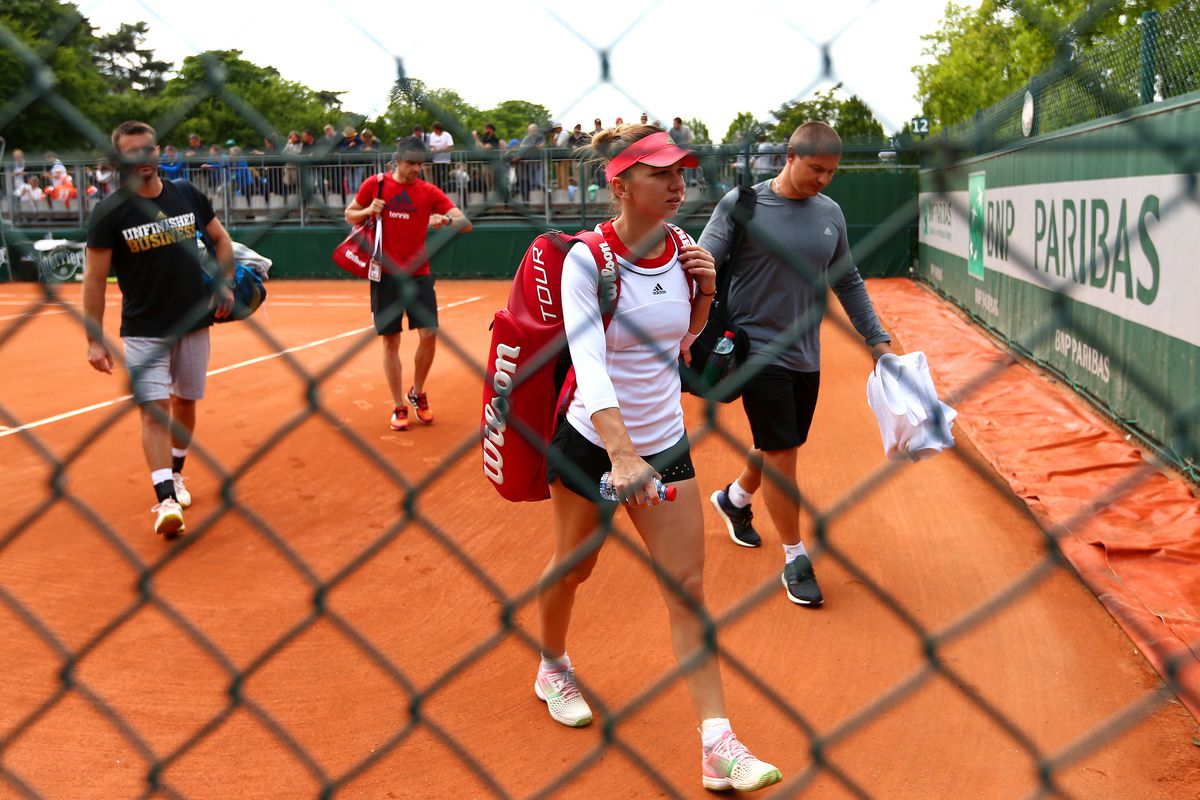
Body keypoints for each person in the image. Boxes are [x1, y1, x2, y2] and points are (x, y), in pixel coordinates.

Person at [534, 124, 782, 793]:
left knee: (689, 591)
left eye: (682, 173)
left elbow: (681, 349)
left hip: (666, 443)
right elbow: (590, 365)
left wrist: (702, 299)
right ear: (620, 183)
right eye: (661, 174)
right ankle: (552, 664)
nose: (679, 185)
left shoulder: (685, 249)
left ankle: (717, 743)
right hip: (593, 443)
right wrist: (619, 452)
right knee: (574, 566)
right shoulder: (589, 260)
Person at [698, 121, 892, 607]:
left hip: (807, 353)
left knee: (779, 443)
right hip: (755, 349)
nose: (823, 179)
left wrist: (877, 338)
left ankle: (735, 499)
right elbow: (702, 263)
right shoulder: (743, 205)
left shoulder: (830, 213)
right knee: (784, 454)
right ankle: (794, 556)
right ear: (790, 155)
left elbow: (847, 281)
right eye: (816, 168)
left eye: (832, 172)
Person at [82, 120, 235, 538]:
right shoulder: (110, 211)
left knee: (185, 403)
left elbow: (221, 241)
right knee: (154, 411)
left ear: (158, 151)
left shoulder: (186, 194)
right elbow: (94, 278)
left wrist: (223, 281)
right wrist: (94, 337)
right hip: (143, 328)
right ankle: (165, 498)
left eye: (147, 149)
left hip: (192, 320)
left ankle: (178, 472)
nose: (141, 159)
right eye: (131, 152)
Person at [343, 137, 465, 431]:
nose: (416, 169)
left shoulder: (429, 191)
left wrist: (446, 220)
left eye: (420, 164)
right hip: (384, 273)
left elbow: (464, 222)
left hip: (418, 273)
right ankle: (398, 404)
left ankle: (417, 392)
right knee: (391, 340)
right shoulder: (376, 184)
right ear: (397, 159)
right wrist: (368, 211)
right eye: (411, 163)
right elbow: (349, 215)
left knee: (429, 335)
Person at [427, 121, 454, 189]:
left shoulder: (447, 135)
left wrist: (439, 151)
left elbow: (451, 147)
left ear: (438, 129)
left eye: (434, 129)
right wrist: (433, 149)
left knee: (445, 178)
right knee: (436, 179)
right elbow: (431, 146)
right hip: (436, 161)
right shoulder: (432, 135)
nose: (434, 131)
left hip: (446, 161)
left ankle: (445, 192)